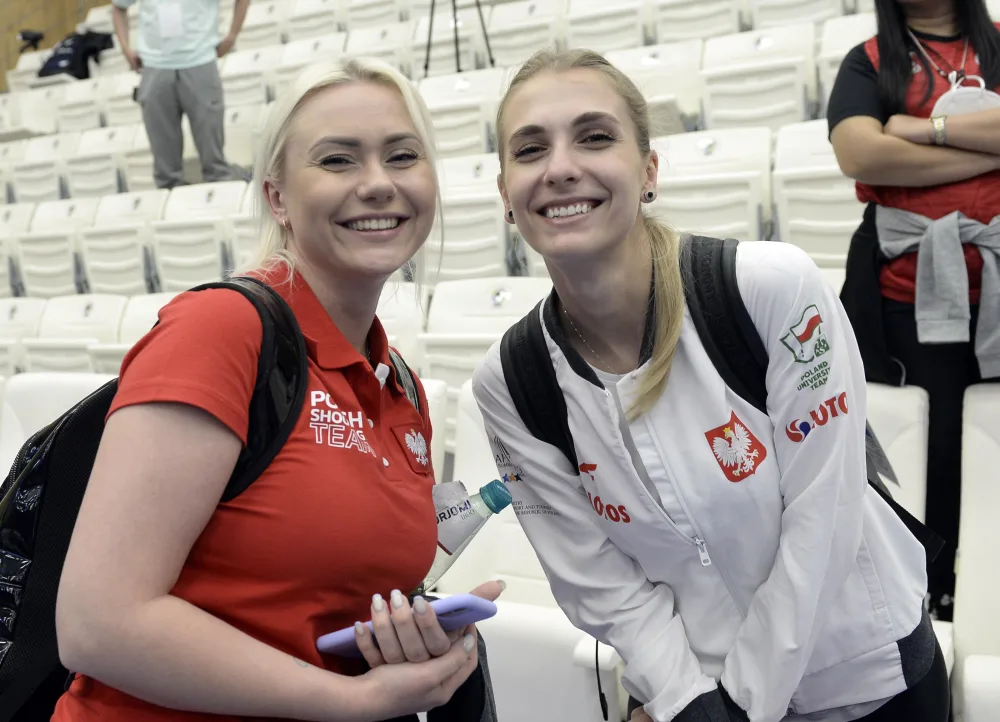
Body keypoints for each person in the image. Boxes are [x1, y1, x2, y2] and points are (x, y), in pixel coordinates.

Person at [473, 48, 950, 722]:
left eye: (595, 136)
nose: (560, 168)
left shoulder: (769, 288)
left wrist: (734, 703)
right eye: (529, 149)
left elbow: (824, 520)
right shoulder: (511, 382)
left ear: (648, 171)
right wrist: (688, 699)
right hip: (696, 695)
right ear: (504, 196)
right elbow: (595, 578)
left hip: (868, 684)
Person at [52, 57, 502, 722]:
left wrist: (400, 641)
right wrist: (349, 700)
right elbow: (98, 622)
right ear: (277, 198)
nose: (378, 183)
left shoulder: (401, 385)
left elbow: (309, 609)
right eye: (338, 160)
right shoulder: (221, 329)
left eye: (402, 156)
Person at [827, 0, 1000, 623]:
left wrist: (922, 129)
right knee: (930, 447)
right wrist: (990, 146)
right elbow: (861, 155)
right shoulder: (871, 61)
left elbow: (890, 146)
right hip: (904, 303)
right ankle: (927, 594)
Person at [111, 0, 249, 188]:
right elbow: (118, 7)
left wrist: (232, 36)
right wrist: (125, 49)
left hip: (200, 61)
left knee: (215, 166)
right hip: (155, 67)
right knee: (166, 175)